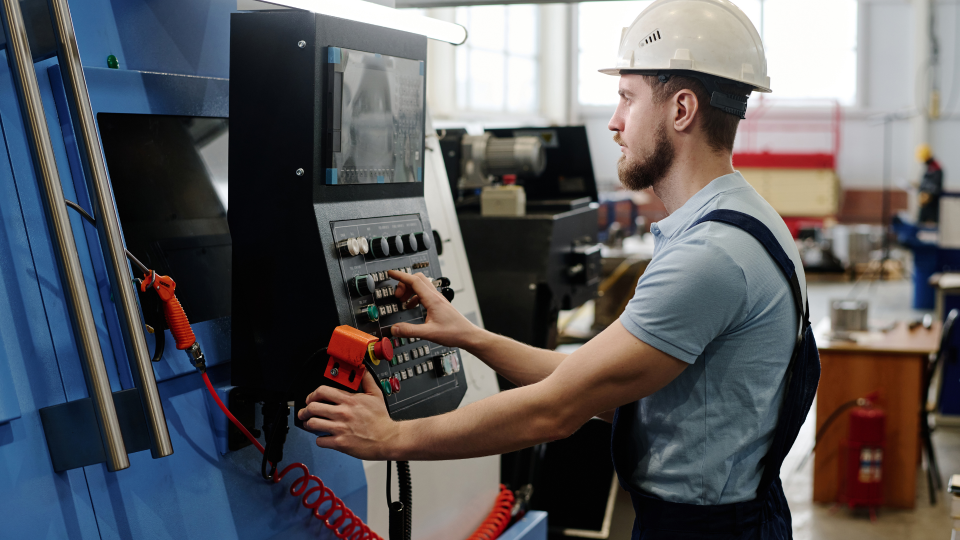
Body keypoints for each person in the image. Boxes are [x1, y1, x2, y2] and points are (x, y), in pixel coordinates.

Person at [297, 1, 819, 538]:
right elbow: (589, 382)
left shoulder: (711, 255)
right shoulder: (741, 222)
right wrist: (469, 337)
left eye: (627, 98)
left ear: (681, 109)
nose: (615, 122)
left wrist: (391, 438)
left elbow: (556, 410)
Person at [916, 143, 943, 224]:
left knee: (933, 226)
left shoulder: (936, 169)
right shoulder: (929, 168)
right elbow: (925, 182)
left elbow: (935, 187)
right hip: (925, 204)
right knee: (920, 224)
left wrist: (926, 194)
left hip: (932, 205)